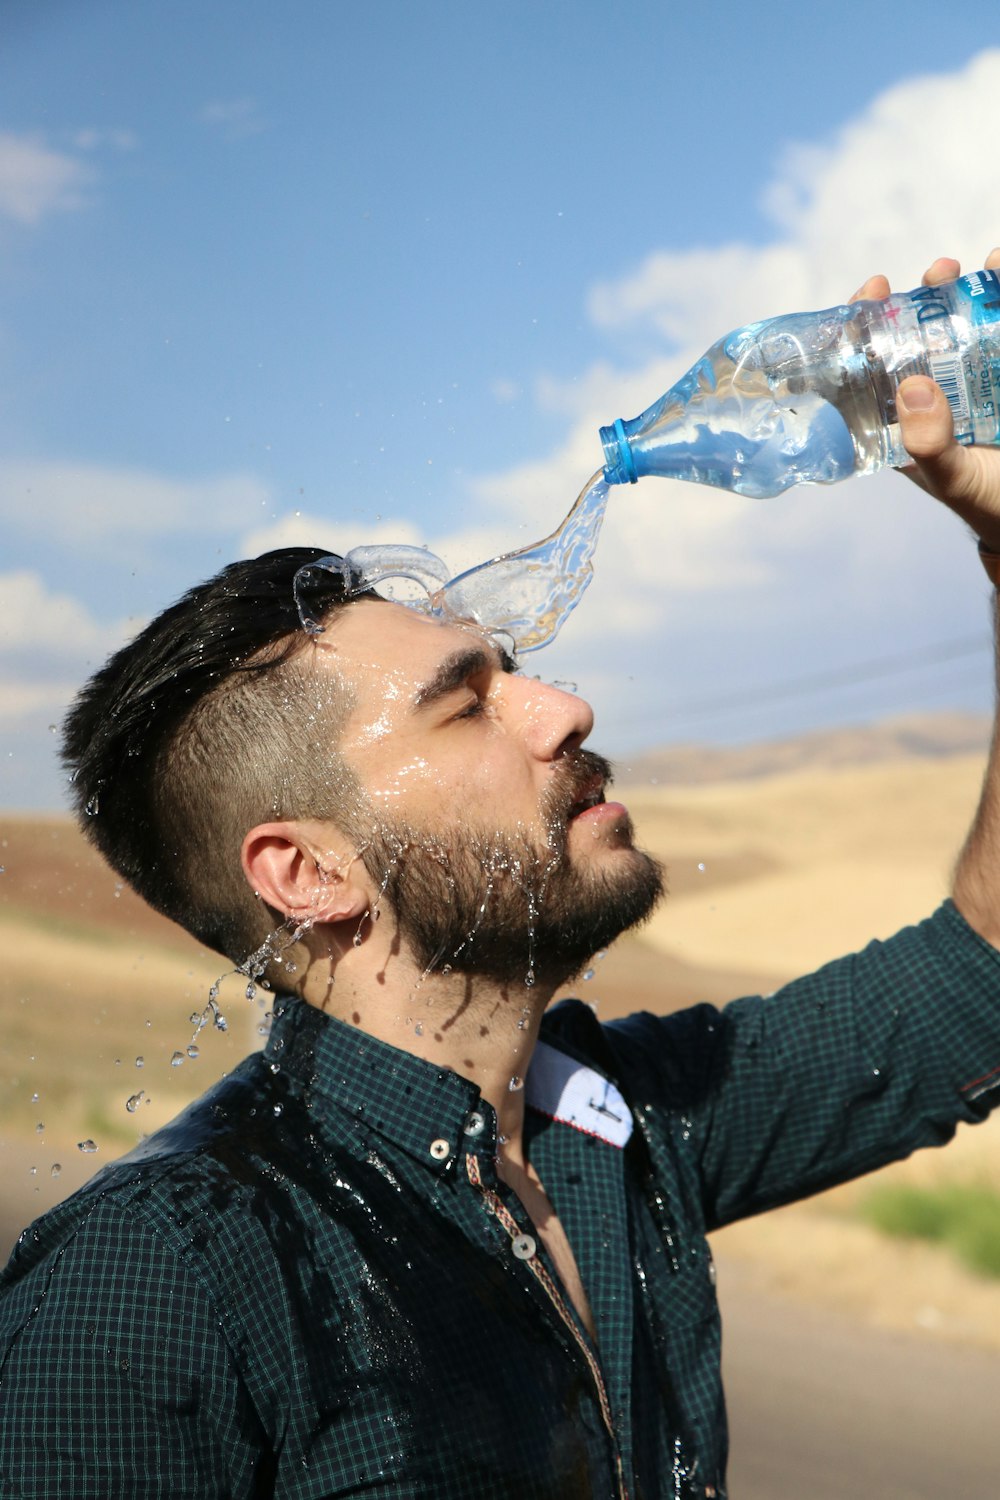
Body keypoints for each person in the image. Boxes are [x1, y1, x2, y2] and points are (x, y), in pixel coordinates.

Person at [3, 254, 1000, 1500]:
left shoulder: (619, 1123)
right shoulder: (151, 1286)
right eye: (465, 706)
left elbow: (979, 971)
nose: (564, 708)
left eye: (516, 667)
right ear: (307, 871)